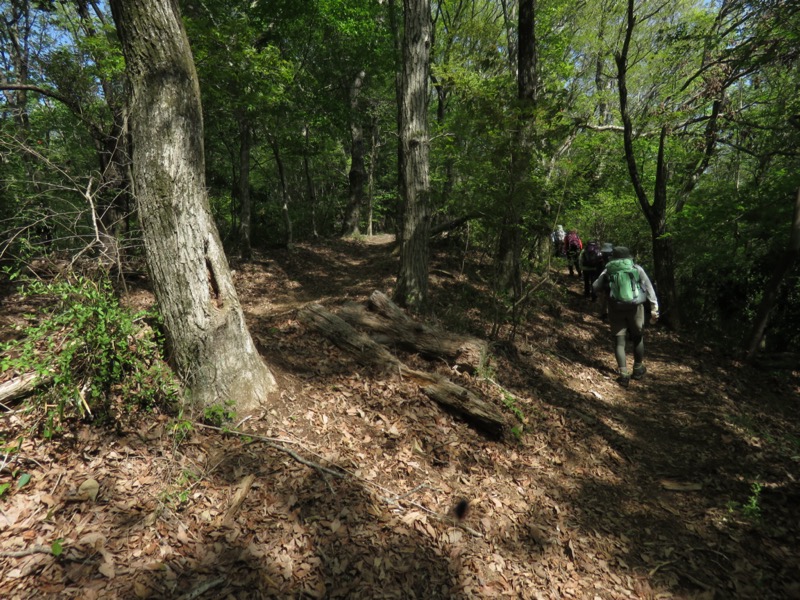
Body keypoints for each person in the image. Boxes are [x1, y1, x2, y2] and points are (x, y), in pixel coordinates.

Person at [593, 246, 659, 388]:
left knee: (619, 342)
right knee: (638, 337)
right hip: (636, 307)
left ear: (614, 257)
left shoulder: (608, 269)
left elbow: (595, 286)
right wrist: (654, 308)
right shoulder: (637, 268)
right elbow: (649, 288)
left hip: (615, 308)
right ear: (629, 256)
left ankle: (623, 375)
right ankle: (638, 369)